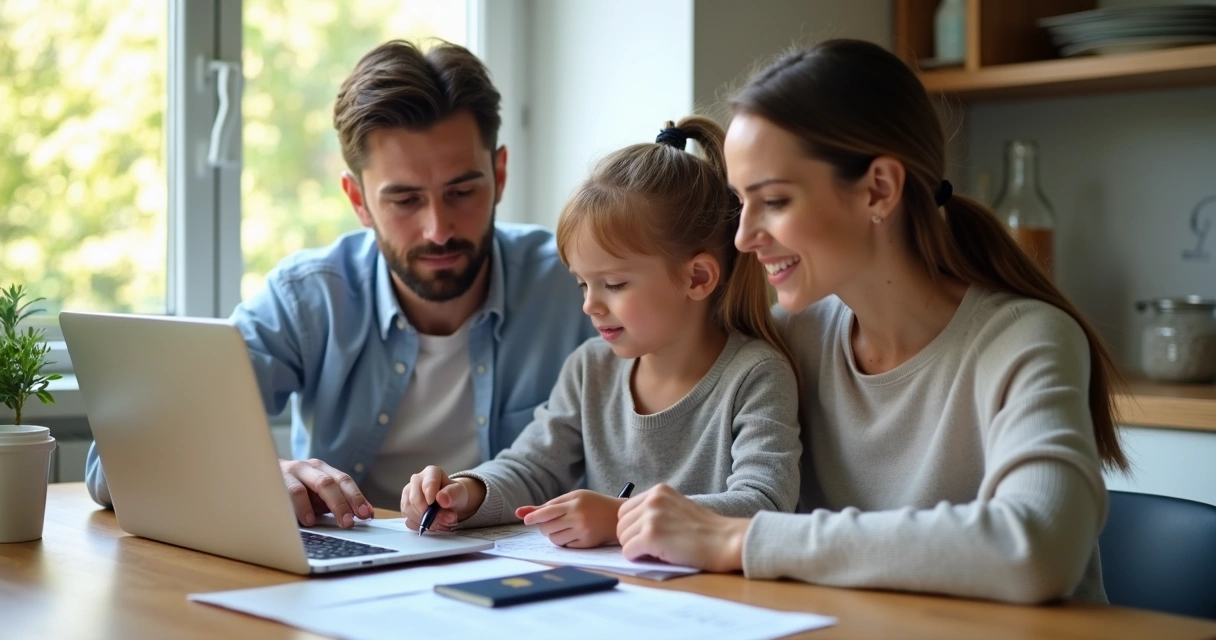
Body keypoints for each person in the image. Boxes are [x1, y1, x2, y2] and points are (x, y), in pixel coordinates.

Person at [614, 39, 1128, 604]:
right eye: (742, 204)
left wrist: (743, 539)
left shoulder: (1023, 339)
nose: (744, 236)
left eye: (776, 201)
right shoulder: (789, 341)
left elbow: (1036, 547)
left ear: (878, 190)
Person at [84, 40, 595, 525]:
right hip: (346, 576)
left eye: (461, 191)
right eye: (405, 200)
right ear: (358, 200)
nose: (438, 228)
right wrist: (255, 478)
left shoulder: (579, 285)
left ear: (499, 174)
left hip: (525, 579)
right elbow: (113, 465)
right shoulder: (307, 299)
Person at [400, 117, 802, 548]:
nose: (590, 304)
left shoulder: (755, 375)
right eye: (582, 284)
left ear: (698, 278)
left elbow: (765, 502)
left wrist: (621, 519)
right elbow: (532, 467)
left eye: (614, 284)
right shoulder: (589, 368)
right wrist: (465, 493)